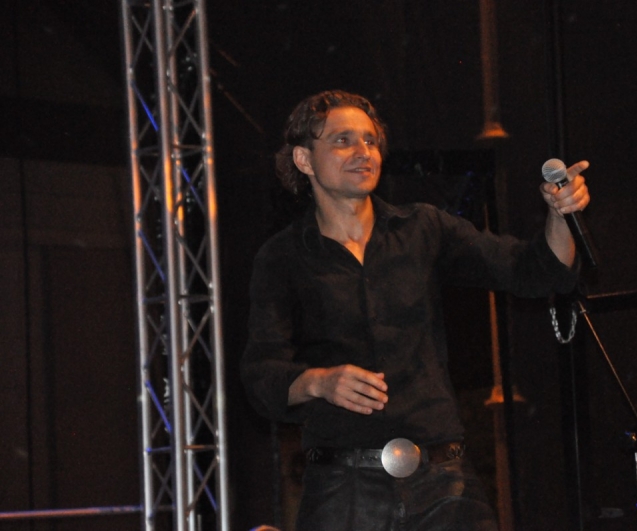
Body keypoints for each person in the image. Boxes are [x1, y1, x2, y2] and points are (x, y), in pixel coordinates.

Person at [241, 90, 590, 531]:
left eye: (370, 141)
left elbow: (535, 271)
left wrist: (561, 214)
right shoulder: (283, 257)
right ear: (304, 160)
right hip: (344, 489)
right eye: (343, 140)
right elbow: (261, 376)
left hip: (442, 481)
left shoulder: (423, 228)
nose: (363, 151)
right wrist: (319, 381)